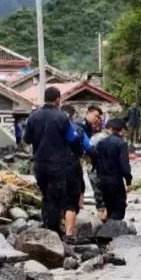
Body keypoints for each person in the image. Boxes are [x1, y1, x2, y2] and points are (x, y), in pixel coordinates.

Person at [23, 87, 91, 233]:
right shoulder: (62, 117)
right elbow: (72, 139)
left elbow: (27, 139)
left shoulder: (33, 116)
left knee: (46, 195)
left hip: (39, 165)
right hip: (57, 165)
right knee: (55, 197)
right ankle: (52, 232)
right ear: (58, 99)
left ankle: (46, 226)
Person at [94, 119, 133, 221]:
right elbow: (124, 165)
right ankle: (115, 232)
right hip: (116, 181)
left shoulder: (101, 143)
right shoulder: (121, 144)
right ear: (122, 130)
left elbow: (96, 162)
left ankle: (108, 232)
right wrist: (128, 181)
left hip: (103, 180)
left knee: (109, 207)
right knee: (119, 210)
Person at [61, 105, 89, 240]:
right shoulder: (76, 129)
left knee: (53, 199)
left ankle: (53, 230)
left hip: (49, 166)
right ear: (72, 115)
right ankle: (69, 235)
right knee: (71, 203)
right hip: (71, 165)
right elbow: (86, 146)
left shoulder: (47, 128)